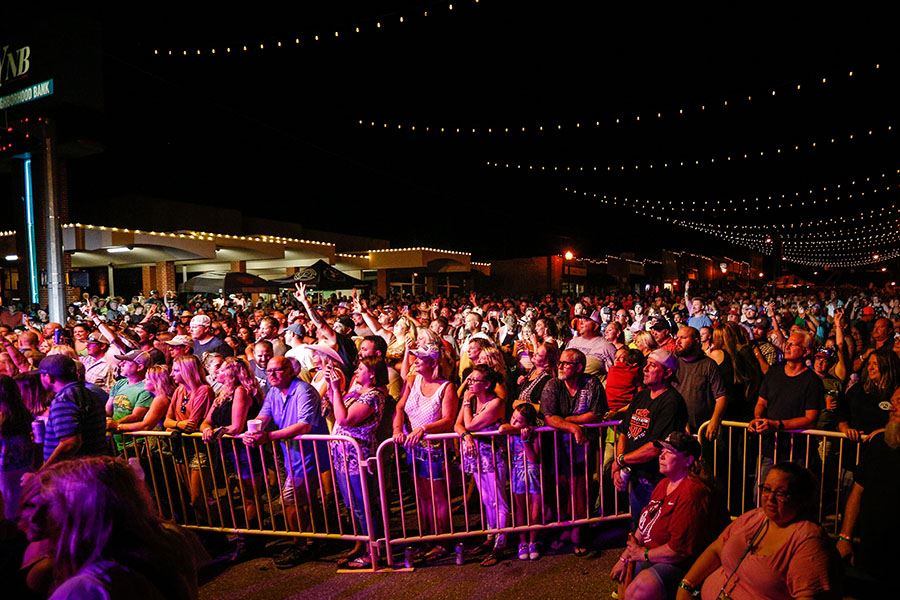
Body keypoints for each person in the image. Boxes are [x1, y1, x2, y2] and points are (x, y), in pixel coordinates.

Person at [25, 456, 199, 599]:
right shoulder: (168, 543)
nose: (32, 517)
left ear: (81, 511)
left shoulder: (85, 588)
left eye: (51, 506)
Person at [678, 463, 838, 600]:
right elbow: (716, 549)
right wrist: (686, 586)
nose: (770, 498)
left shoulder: (808, 540)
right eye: (767, 489)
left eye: (780, 493)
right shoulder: (755, 517)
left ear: (800, 498)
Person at [612, 432, 725, 600]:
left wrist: (642, 554)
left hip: (680, 563)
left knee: (640, 589)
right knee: (623, 580)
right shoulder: (663, 484)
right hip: (653, 554)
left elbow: (678, 551)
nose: (662, 455)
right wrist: (625, 557)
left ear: (688, 460)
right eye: (662, 450)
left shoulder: (692, 492)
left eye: (669, 451)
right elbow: (644, 525)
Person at [244, 356, 328, 569]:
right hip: (291, 454)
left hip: (309, 454)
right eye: (269, 371)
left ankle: (301, 544)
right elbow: (263, 416)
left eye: (278, 370)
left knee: (290, 499)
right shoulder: (274, 392)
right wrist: (253, 431)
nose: (272, 374)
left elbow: (304, 425)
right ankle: (317, 539)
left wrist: (268, 437)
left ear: (290, 371)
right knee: (306, 500)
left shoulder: (303, 391)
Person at [392, 343, 459, 561]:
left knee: (438, 497)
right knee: (421, 496)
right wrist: (397, 429)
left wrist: (423, 429)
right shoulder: (413, 380)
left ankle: (443, 541)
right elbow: (399, 407)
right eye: (416, 357)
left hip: (436, 449)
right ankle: (427, 537)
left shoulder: (447, 387)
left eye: (421, 358)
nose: (416, 361)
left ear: (433, 362)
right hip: (414, 447)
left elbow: (448, 420)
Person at [541, 348, 607, 555]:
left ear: (579, 367)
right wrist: (574, 427)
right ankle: (562, 531)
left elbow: (596, 414)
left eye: (566, 363)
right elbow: (549, 416)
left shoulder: (592, 383)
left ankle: (579, 534)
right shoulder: (553, 384)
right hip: (557, 446)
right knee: (559, 489)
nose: (560, 366)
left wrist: (566, 420)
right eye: (559, 362)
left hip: (583, 447)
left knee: (581, 490)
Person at [613, 349, 689, 528]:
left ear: (667, 373)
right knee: (639, 524)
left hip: (656, 479)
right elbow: (624, 432)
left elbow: (656, 447)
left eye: (652, 365)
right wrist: (621, 464)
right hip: (636, 475)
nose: (645, 369)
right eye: (646, 364)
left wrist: (621, 460)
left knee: (654, 528)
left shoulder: (672, 402)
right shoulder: (641, 396)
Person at [324, 356, 387, 569]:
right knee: (353, 505)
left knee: (365, 504)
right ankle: (363, 545)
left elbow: (345, 419)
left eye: (361, 368)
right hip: (342, 454)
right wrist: (331, 388)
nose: (356, 371)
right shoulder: (356, 391)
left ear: (373, 374)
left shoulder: (374, 395)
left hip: (357, 456)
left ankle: (374, 552)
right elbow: (336, 409)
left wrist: (335, 388)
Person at [836, 386, 900, 594]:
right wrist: (845, 537)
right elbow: (858, 490)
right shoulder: (880, 443)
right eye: (893, 401)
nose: (892, 407)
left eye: (899, 402)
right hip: (872, 548)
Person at [455, 364, 509, 566]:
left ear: (486, 384)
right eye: (468, 379)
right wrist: (466, 436)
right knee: (486, 499)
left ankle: (500, 543)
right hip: (476, 457)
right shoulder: (471, 400)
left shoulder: (496, 403)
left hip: (493, 457)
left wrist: (466, 403)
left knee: (498, 500)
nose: (469, 383)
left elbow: (470, 423)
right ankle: (490, 536)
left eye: (474, 380)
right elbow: (458, 425)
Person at [749, 331, 823, 466]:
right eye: (787, 343)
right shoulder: (773, 372)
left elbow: (810, 418)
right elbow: (761, 402)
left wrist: (777, 424)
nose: (787, 347)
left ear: (805, 351)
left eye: (792, 344)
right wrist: (758, 418)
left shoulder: (812, 381)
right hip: (771, 447)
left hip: (797, 451)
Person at [37, 355, 107, 467]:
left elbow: (70, 443)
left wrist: (44, 470)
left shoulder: (64, 399)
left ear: (48, 377)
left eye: (41, 375)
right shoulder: (89, 394)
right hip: (92, 466)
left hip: (76, 471)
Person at [500, 402, 543, 561]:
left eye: (518, 421)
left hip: (533, 473)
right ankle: (522, 542)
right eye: (513, 418)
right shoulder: (511, 433)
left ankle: (533, 541)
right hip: (517, 473)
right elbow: (502, 429)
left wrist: (525, 441)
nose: (513, 422)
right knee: (520, 509)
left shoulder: (535, 434)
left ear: (528, 423)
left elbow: (533, 458)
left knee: (534, 510)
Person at [0, 375, 33, 519]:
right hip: (24, 466)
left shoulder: (3, 417)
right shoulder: (23, 413)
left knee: (7, 506)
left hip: (4, 470)